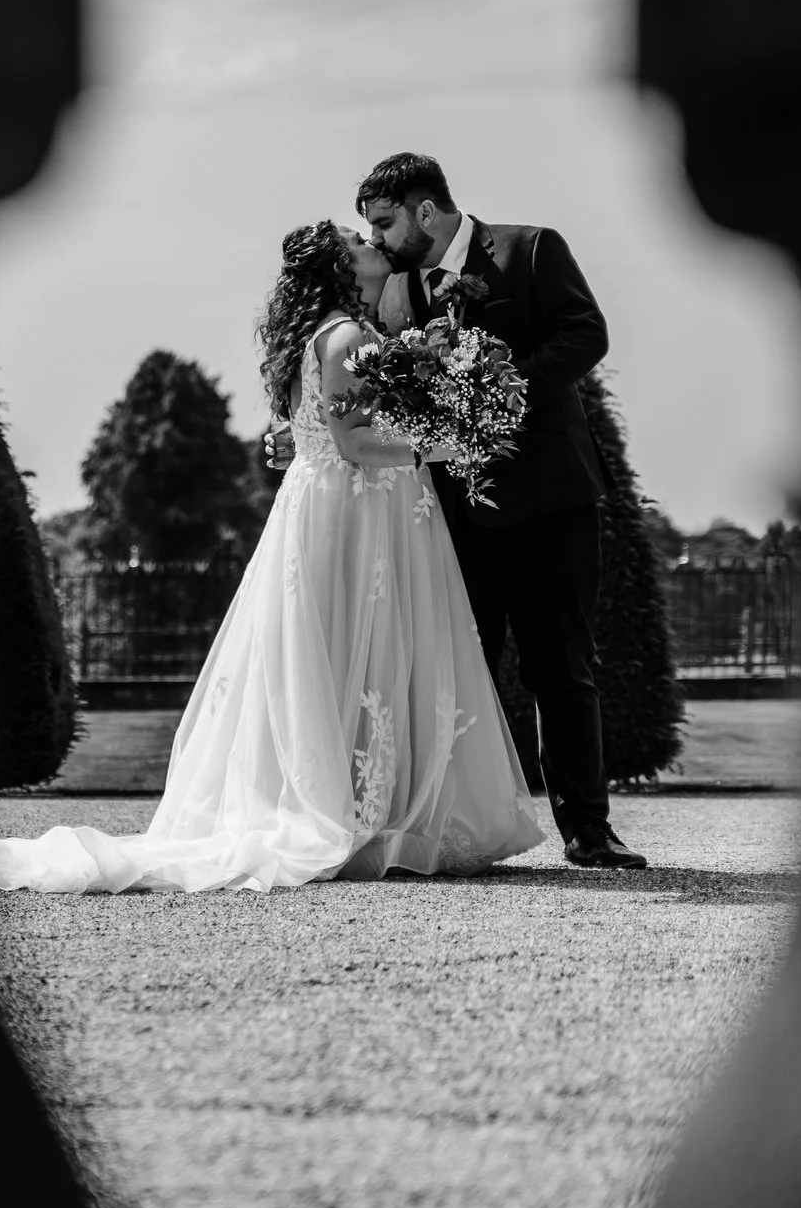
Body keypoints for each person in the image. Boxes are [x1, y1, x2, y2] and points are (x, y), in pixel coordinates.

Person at [0, 221, 546, 893]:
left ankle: (372, 805)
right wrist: (446, 445)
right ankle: (363, 812)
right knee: (359, 649)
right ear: (339, 270)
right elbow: (352, 444)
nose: (368, 241)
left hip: (354, 507)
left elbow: (324, 429)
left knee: (355, 654)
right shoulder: (347, 337)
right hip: (355, 507)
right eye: (356, 240)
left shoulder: (346, 331)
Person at [272, 151, 646, 870]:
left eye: (382, 222)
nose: (375, 240)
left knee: (560, 665)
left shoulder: (532, 248)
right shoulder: (394, 291)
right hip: (445, 515)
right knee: (436, 666)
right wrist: (304, 428)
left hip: (547, 501)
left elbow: (585, 334)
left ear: (422, 209)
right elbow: (359, 393)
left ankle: (589, 834)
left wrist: (497, 397)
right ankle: (439, 826)